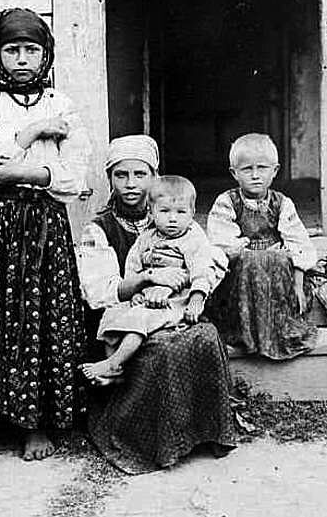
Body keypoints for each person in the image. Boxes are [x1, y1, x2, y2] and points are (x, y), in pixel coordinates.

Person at [0, 8, 90, 471]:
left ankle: (35, 423)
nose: (22, 59)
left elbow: (74, 177)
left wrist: (27, 172)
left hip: (45, 223)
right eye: (12, 50)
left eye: (32, 50)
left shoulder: (62, 106)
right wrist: (32, 131)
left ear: (46, 55)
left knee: (41, 315)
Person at [78, 135, 236, 474]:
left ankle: (206, 432)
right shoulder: (99, 228)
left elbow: (208, 261)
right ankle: (150, 435)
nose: (131, 183)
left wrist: (186, 283)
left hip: (176, 304)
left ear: (155, 176)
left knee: (204, 335)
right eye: (121, 175)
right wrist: (147, 280)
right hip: (128, 306)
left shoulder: (178, 218)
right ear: (109, 178)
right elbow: (101, 290)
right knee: (159, 347)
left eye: (140, 174)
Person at [81, 175, 218, 385]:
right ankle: (115, 371)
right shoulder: (146, 237)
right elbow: (133, 266)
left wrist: (196, 299)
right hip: (146, 295)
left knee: (139, 320)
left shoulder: (193, 239)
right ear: (152, 212)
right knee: (112, 314)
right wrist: (136, 293)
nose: (172, 219)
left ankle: (114, 363)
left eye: (181, 212)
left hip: (175, 300)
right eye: (164, 211)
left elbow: (203, 269)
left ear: (192, 213)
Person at [206, 133, 318, 359]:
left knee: (279, 259)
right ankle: (245, 335)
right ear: (234, 173)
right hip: (241, 281)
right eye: (247, 169)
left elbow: (299, 245)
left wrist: (297, 285)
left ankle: (276, 333)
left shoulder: (282, 204)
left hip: (276, 282)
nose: (255, 175)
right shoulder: (226, 203)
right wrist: (262, 253)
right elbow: (224, 246)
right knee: (254, 260)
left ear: (275, 171)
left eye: (262, 168)